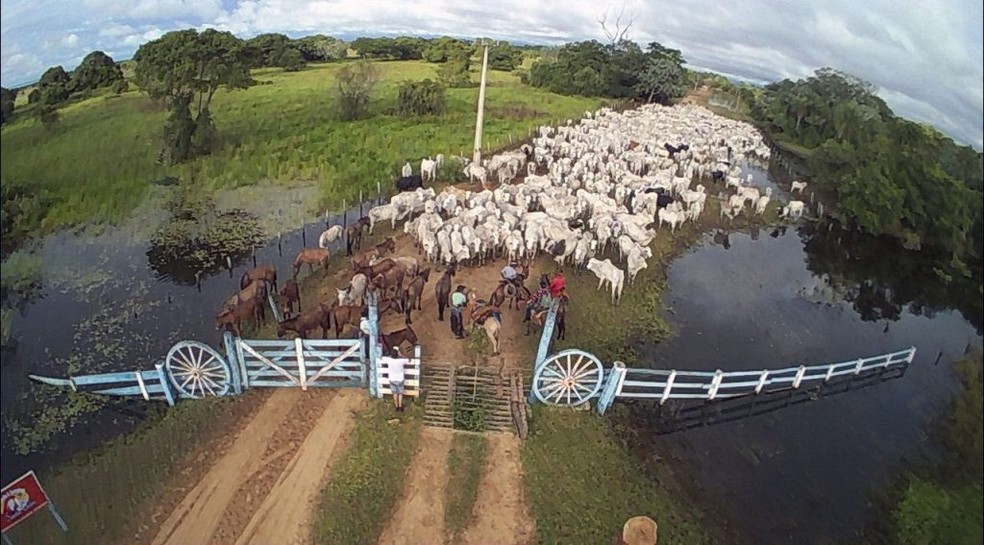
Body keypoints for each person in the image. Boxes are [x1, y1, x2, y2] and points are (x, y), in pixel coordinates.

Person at [379, 347, 407, 412]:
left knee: (395, 393)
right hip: (400, 379)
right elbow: (408, 360)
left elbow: (381, 357)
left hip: (392, 379)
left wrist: (390, 356)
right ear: (397, 354)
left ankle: (396, 406)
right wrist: (400, 355)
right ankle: (400, 406)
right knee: (400, 394)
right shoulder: (401, 361)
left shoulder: (389, 360)